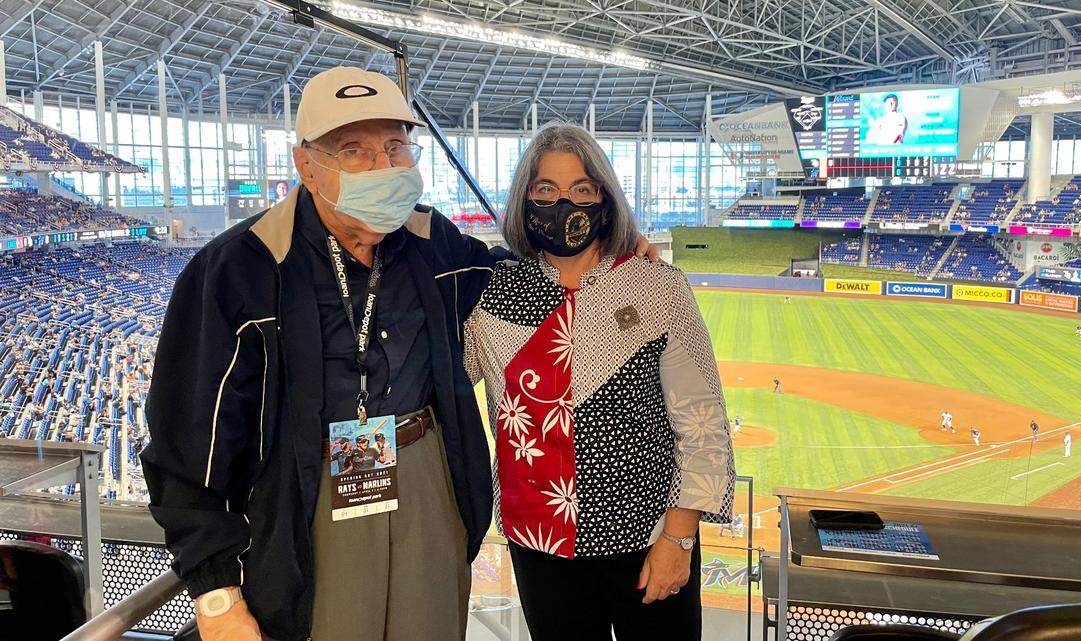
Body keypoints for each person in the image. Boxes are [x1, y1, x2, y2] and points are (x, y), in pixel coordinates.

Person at [141, 66, 505, 641]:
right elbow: (189, 444)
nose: (384, 167)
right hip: (306, 492)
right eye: (354, 151)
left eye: (395, 147)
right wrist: (215, 594)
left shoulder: (436, 247)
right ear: (306, 165)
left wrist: (612, 241)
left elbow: (530, 281)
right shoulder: (239, 269)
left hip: (425, 477)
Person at [463, 124, 735, 641]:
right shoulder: (492, 291)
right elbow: (446, 377)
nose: (563, 205)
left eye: (582, 190)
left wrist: (679, 539)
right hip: (539, 541)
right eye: (545, 190)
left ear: (605, 201)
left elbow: (702, 424)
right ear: (523, 199)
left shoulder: (656, 285)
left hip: (649, 539)